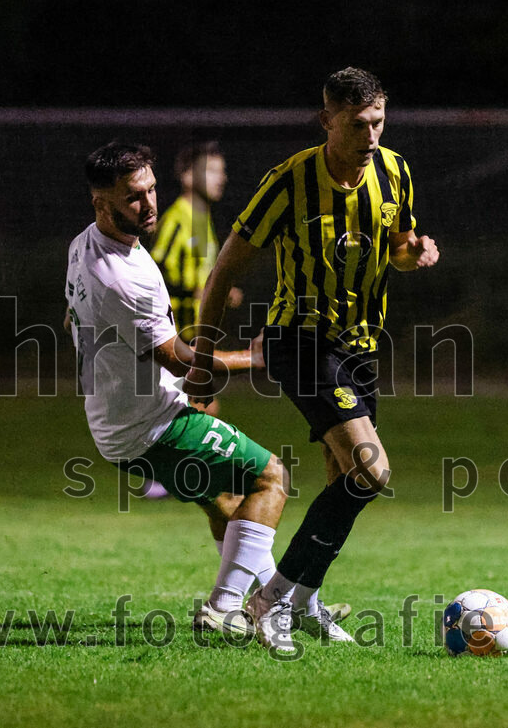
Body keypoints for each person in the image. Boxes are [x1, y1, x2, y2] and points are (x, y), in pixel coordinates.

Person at [187, 67, 439, 652]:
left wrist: (415, 252)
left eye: (378, 121)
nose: (370, 135)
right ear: (327, 120)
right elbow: (228, 265)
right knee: (372, 471)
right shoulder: (290, 182)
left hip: (361, 348)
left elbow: (397, 249)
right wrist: (202, 354)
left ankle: (304, 601)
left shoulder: (395, 171)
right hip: (299, 340)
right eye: (357, 125)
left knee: (344, 482)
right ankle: (269, 599)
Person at [65, 141, 304, 646]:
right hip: (154, 424)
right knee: (271, 478)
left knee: (226, 503)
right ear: (100, 203)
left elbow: (73, 319)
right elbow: (178, 359)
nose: (149, 203)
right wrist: (258, 359)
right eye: (134, 197)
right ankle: (225, 609)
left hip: (115, 424)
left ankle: (288, 604)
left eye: (151, 189)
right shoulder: (126, 278)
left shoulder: (83, 245)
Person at [144, 142, 244, 498]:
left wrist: (218, 290)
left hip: (196, 333)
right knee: (203, 402)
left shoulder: (202, 218)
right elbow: (152, 271)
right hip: (176, 332)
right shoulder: (177, 218)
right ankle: (182, 476)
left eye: (221, 170)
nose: (222, 177)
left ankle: (168, 475)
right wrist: (195, 291)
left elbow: (202, 276)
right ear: (188, 176)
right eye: (212, 170)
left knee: (194, 402)